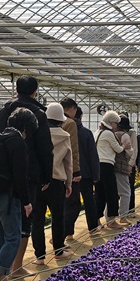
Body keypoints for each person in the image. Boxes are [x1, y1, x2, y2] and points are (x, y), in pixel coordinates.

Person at [0, 75, 53, 277]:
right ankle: (15, 267)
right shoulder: (38, 114)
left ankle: (3, 271)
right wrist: (46, 176)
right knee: (23, 221)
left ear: (16, 89)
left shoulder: (0, 112)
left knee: (1, 230)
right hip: (26, 175)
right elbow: (45, 149)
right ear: (35, 91)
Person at [0, 107, 37, 281]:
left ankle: (3, 277)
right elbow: (20, 175)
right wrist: (26, 201)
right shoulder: (17, 142)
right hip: (7, 195)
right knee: (13, 238)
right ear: (26, 127)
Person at [32, 103, 73, 263]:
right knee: (58, 217)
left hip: (38, 182)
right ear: (61, 120)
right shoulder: (65, 136)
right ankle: (58, 250)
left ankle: (39, 256)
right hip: (56, 182)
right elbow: (68, 163)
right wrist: (68, 183)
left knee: (37, 220)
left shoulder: (36, 132)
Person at [94, 110, 131, 229]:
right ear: (111, 122)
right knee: (111, 193)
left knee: (100, 194)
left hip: (98, 165)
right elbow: (118, 149)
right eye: (115, 123)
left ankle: (96, 220)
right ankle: (111, 220)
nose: (116, 126)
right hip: (106, 165)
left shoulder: (98, 131)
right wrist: (124, 146)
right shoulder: (108, 133)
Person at [72, 107, 101, 234]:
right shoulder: (86, 133)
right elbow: (93, 156)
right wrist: (96, 175)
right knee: (89, 200)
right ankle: (93, 227)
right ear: (80, 116)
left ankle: (68, 232)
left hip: (70, 173)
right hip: (86, 173)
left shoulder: (64, 131)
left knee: (71, 204)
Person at [60, 97, 82, 242]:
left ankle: (58, 236)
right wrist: (76, 171)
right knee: (73, 203)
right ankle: (64, 234)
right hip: (66, 170)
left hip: (51, 171)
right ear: (72, 109)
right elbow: (73, 148)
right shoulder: (70, 123)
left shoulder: (47, 122)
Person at [114, 116, 134, 224]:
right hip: (121, 166)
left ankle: (109, 218)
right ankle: (123, 216)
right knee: (125, 193)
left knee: (112, 193)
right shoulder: (124, 135)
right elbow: (129, 152)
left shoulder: (111, 134)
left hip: (111, 166)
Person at [120, 111, 138, 218]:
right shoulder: (114, 132)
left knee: (130, 187)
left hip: (128, 163)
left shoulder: (132, 133)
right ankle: (121, 211)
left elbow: (134, 150)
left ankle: (131, 210)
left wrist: (131, 164)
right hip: (119, 164)